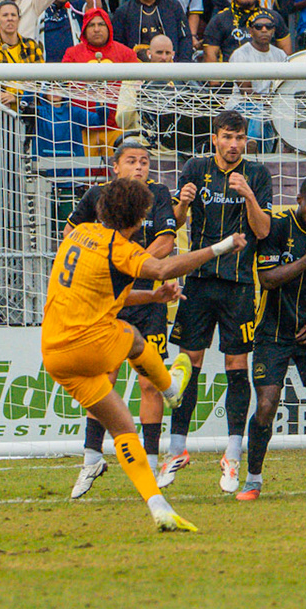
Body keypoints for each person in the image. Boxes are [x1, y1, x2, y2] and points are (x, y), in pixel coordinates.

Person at [41, 178, 243, 533]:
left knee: (123, 427)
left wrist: (152, 297)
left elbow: (108, 294)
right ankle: (171, 388)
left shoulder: (78, 234)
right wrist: (221, 247)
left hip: (55, 355)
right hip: (88, 346)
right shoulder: (119, 248)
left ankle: (158, 506)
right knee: (132, 334)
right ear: (139, 219)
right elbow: (163, 269)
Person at [60, 135, 179, 499]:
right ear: (115, 166)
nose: (139, 167)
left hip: (149, 299)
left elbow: (167, 241)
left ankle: (153, 460)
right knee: (103, 379)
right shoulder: (97, 196)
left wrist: (132, 264)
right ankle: (91, 458)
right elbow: (69, 233)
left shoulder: (158, 194)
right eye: (131, 161)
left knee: (149, 382)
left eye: (144, 161)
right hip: (108, 300)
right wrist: (110, 264)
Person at [162, 110, 274, 495]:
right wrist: (181, 204)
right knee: (188, 364)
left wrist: (249, 197)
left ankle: (232, 455)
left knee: (236, 367)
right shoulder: (195, 168)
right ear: (214, 138)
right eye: (227, 137)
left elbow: (263, 230)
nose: (233, 145)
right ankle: (177, 449)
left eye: (239, 138)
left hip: (238, 285)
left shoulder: (257, 174)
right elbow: (174, 223)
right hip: (198, 280)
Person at [237, 177, 306, 500]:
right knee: (266, 405)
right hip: (273, 333)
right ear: (299, 199)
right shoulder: (277, 228)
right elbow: (267, 280)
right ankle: (253, 480)